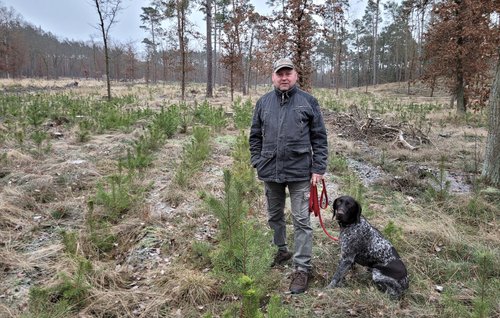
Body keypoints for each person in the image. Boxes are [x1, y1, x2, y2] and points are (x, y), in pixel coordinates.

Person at [249, 57, 328, 294]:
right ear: (273, 77)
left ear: (295, 76)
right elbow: (255, 136)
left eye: (288, 73)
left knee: (302, 221)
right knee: (274, 216)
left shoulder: (308, 102)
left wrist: (318, 168)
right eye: (279, 74)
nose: (284, 78)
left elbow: (320, 138)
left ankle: (302, 268)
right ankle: (280, 250)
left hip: (300, 172)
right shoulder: (263, 103)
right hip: (270, 171)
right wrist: (257, 160)